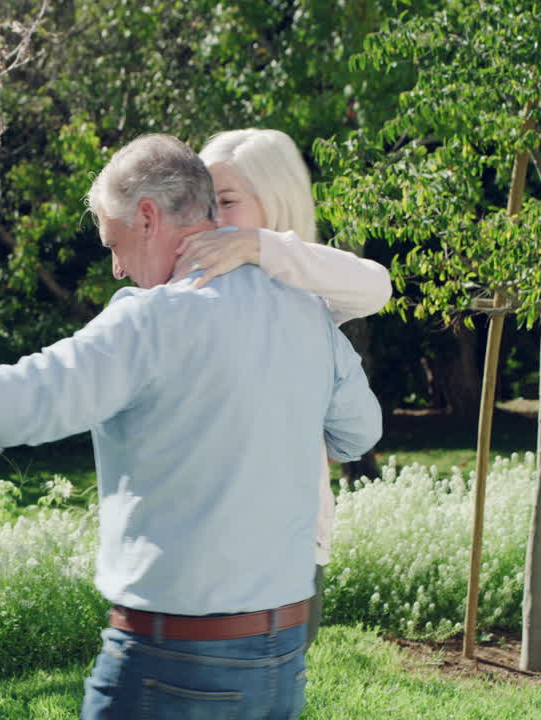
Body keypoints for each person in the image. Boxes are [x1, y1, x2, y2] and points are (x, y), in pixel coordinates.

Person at [0, 134, 383, 719]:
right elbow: (359, 432)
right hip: (281, 657)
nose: (116, 269)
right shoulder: (305, 313)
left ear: (148, 218)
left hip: (172, 661)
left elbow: (21, 398)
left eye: (114, 244)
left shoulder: (150, 322)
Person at [173, 127, 392, 646]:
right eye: (204, 204)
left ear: (274, 203)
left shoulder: (307, 293)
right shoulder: (187, 293)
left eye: (227, 201)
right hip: (195, 543)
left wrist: (259, 246)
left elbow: (376, 286)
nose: (213, 219)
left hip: (288, 549)